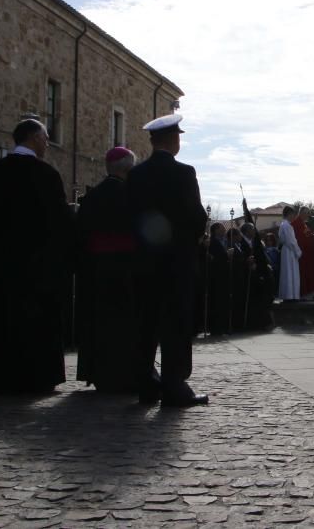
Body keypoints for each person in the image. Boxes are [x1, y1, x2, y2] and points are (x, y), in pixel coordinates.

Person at [0, 119, 72, 393]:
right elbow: (59, 221)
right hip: (36, 265)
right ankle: (35, 377)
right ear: (34, 138)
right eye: (45, 138)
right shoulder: (46, 175)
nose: (47, 143)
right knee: (34, 321)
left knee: (0, 318)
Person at [128, 113, 209, 407]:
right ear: (173, 140)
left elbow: (130, 218)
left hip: (145, 263)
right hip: (177, 263)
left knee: (146, 323)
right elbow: (196, 218)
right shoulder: (184, 173)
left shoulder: (136, 175)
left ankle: (147, 386)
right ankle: (174, 386)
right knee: (175, 324)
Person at [74, 147, 139, 392]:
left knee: (98, 323)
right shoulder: (131, 196)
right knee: (124, 324)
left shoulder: (92, 197)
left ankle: (97, 372)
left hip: (96, 270)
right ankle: (125, 374)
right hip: (125, 270)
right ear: (128, 169)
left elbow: (80, 236)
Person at [233, 203, 275, 330]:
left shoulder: (254, 242)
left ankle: (261, 323)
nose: (254, 231)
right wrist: (248, 262)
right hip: (247, 275)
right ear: (246, 231)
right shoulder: (242, 243)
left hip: (257, 274)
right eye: (252, 229)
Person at [206, 222, 231, 334]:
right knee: (216, 303)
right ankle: (215, 328)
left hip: (223, 276)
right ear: (216, 230)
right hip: (216, 277)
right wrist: (227, 254)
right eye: (222, 228)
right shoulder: (213, 242)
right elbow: (217, 258)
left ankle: (221, 326)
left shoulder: (222, 241)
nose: (224, 230)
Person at [293, 207, 314, 300]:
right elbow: (300, 239)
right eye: (307, 213)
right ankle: (305, 294)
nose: (308, 215)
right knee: (305, 274)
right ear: (302, 213)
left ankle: (310, 293)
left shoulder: (303, 223)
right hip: (303, 254)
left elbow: (308, 235)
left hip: (308, 253)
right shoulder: (296, 224)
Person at [278, 206, 302, 302]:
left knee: (288, 272)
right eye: (293, 214)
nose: (294, 217)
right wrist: (298, 251)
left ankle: (289, 294)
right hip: (290, 251)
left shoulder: (284, 224)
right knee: (290, 272)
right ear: (289, 214)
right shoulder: (287, 225)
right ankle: (290, 295)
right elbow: (291, 241)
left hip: (287, 251)